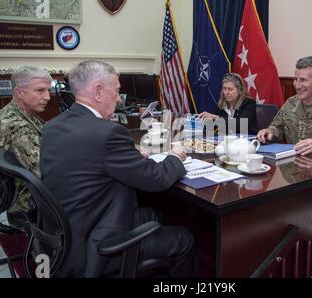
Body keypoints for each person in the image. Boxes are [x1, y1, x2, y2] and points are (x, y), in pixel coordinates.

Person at [40, 60, 196, 278]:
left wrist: (129, 157)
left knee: (151, 213)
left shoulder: (52, 126)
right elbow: (156, 179)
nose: (118, 97)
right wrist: (175, 157)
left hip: (66, 232)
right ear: (97, 91)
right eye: (117, 90)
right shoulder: (108, 133)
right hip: (92, 244)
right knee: (184, 238)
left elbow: (89, 161)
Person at [0, 66, 52, 231]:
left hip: (22, 192)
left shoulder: (20, 113)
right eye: (40, 90)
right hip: (28, 200)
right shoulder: (15, 125)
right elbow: (45, 172)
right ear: (19, 92)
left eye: (48, 90)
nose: (48, 97)